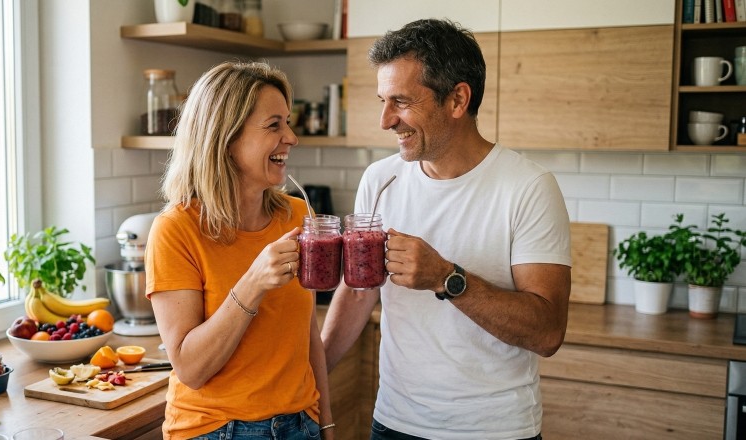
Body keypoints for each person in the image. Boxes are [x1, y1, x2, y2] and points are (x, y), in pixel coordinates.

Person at [321, 18, 572, 440]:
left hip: (494, 431)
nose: (385, 120)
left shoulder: (528, 187)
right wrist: (312, 374)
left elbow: (547, 332)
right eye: (383, 100)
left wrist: (445, 277)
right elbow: (359, 289)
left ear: (457, 99)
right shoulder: (380, 180)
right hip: (393, 421)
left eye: (400, 101)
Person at [144, 61, 334, 440]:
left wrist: (325, 421)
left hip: (302, 425)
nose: (292, 137)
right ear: (226, 138)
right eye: (274, 125)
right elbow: (191, 369)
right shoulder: (176, 229)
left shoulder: (297, 216)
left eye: (289, 122)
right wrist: (253, 282)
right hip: (216, 430)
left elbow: (306, 333)